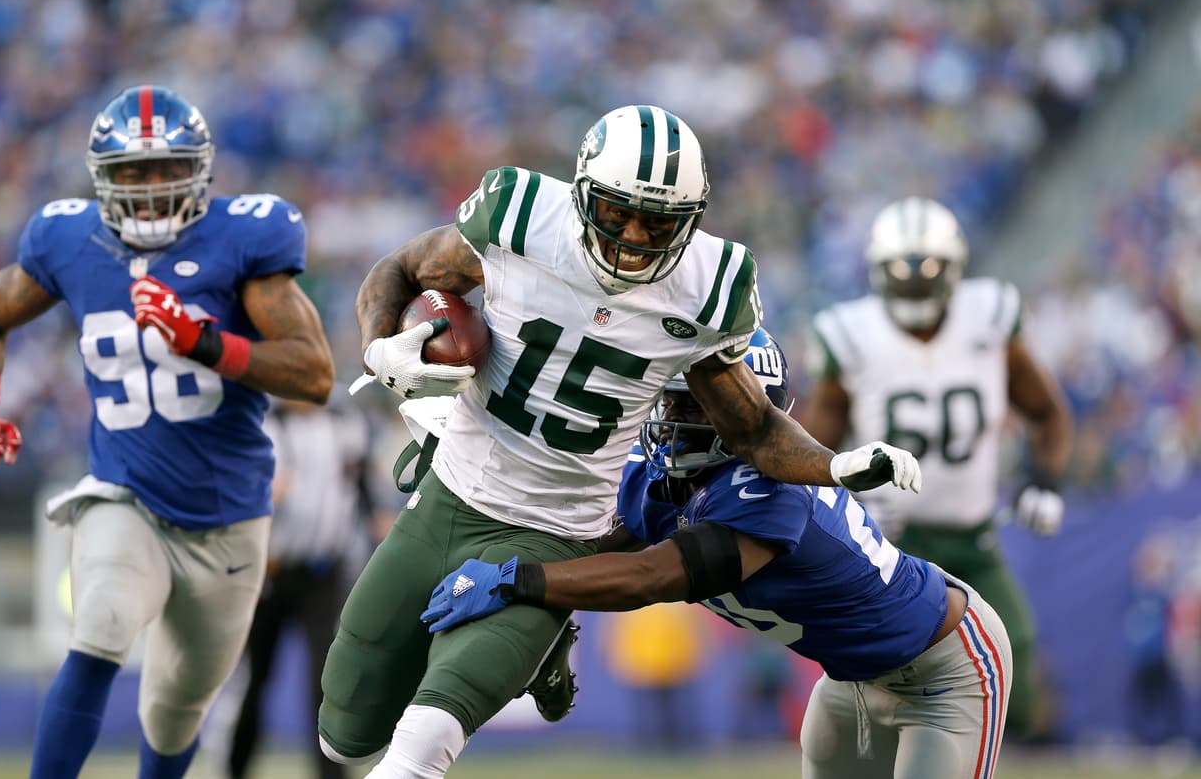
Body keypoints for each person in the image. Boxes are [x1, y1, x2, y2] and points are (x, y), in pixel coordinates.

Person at [318, 104, 922, 777]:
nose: (634, 235)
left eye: (657, 221)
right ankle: (541, 651)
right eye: (617, 212)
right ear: (582, 194)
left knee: (426, 738)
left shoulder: (710, 285)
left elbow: (750, 427)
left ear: (692, 219)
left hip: (556, 530)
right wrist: (380, 350)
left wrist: (834, 465)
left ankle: (540, 634)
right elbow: (401, 268)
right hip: (448, 494)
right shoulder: (519, 214)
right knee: (343, 734)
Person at [0, 85, 335, 779]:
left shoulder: (244, 239)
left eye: (166, 168)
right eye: (132, 171)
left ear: (200, 171)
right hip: (126, 494)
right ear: (103, 179)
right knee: (100, 624)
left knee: (175, 711)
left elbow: (314, 374)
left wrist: (205, 342)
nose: (151, 188)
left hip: (229, 518)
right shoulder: (69, 239)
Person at [423, 330, 1013, 779]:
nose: (674, 419)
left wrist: (516, 580)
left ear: (750, 413)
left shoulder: (771, 495)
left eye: (697, 406)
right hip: (847, 683)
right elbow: (590, 546)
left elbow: (650, 577)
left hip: (942, 671)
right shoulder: (665, 472)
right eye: (673, 401)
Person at [797, 196, 1072, 737]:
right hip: (889, 543)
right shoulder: (851, 337)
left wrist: (1045, 480)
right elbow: (813, 456)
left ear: (955, 269)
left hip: (974, 538)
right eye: (901, 274)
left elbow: (1047, 412)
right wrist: (852, 505)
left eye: (927, 272)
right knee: (884, 680)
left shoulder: (989, 319)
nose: (915, 286)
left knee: (1014, 675)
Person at [224, 396, 387, 779]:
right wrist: (261, 494)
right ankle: (234, 768)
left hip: (323, 573)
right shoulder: (265, 424)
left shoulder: (346, 421)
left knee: (326, 682)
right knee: (254, 682)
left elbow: (360, 477)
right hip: (271, 573)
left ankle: (330, 776)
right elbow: (232, 489)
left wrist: (377, 516)